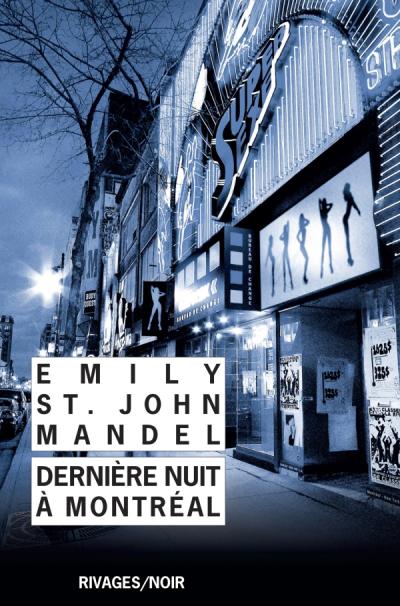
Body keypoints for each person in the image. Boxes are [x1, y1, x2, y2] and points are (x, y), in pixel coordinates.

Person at [342, 182, 361, 266]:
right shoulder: (349, 197)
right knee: (347, 239)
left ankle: (349, 256)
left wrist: (357, 210)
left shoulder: (349, 197)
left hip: (345, 218)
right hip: (345, 219)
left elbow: (353, 204)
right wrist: (358, 210)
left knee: (347, 239)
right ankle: (349, 255)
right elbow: (353, 204)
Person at [319, 198, 334, 278]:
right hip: (325, 229)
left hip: (328, 229)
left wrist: (324, 204)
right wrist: (324, 204)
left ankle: (330, 264)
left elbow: (331, 204)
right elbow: (321, 205)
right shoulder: (322, 211)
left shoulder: (325, 210)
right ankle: (322, 266)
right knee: (323, 248)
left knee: (328, 247)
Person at [297, 213, 310, 284]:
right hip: (302, 246)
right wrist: (300, 242)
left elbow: (308, 222)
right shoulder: (301, 227)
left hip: (302, 245)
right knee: (307, 259)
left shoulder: (302, 226)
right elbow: (297, 236)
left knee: (307, 259)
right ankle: (304, 275)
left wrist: (303, 219)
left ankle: (304, 275)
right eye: (302, 217)